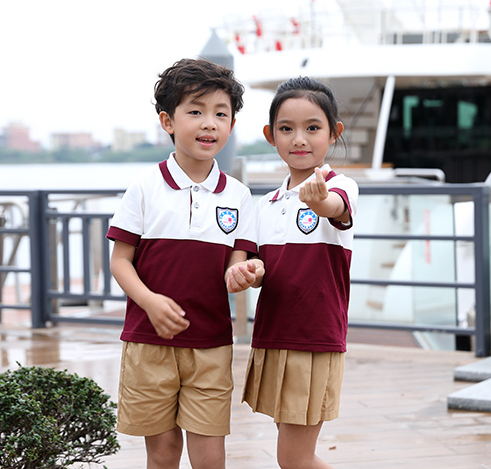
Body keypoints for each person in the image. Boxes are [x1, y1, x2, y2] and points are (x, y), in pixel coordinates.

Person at [107, 58, 263, 469]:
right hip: (147, 341)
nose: (209, 123)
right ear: (167, 121)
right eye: (195, 111)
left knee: (210, 458)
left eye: (221, 114)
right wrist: (151, 302)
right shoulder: (143, 187)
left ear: (231, 124)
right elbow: (120, 261)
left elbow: (237, 264)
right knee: (162, 454)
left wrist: (242, 274)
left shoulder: (240, 197)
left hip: (211, 343)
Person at [243, 76, 358, 469]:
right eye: (286, 129)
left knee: (292, 458)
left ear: (334, 132)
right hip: (274, 334)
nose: (299, 139)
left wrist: (319, 199)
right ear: (270, 135)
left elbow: (335, 208)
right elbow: (260, 269)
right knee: (297, 454)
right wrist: (250, 271)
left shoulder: (340, 185)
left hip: (313, 338)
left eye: (313, 128)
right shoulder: (267, 203)